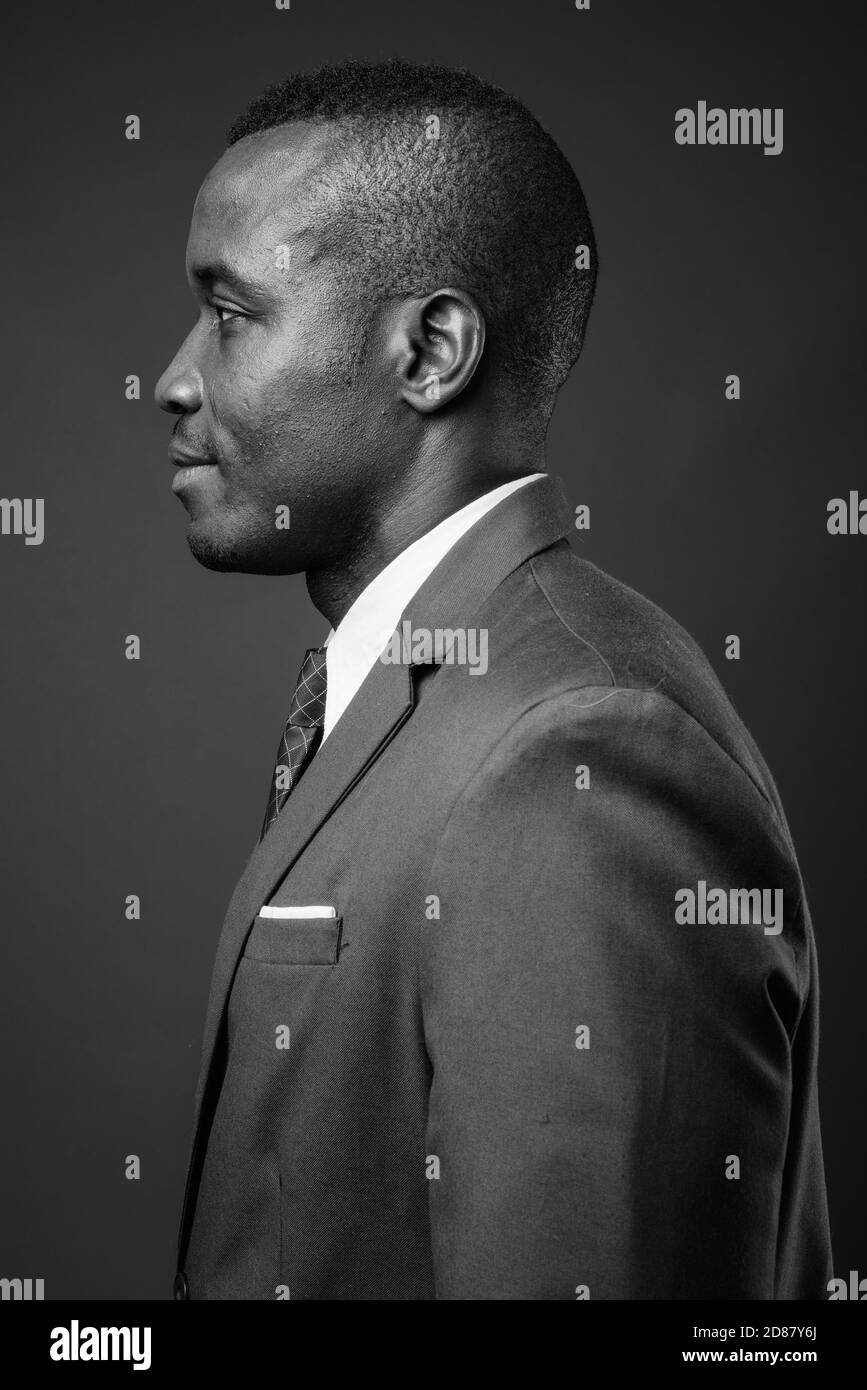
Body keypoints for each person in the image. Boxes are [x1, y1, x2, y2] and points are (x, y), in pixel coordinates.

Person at [156, 58, 832, 1300]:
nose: (174, 375)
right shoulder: (437, 686)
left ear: (432, 350)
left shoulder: (576, 743)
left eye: (232, 311)